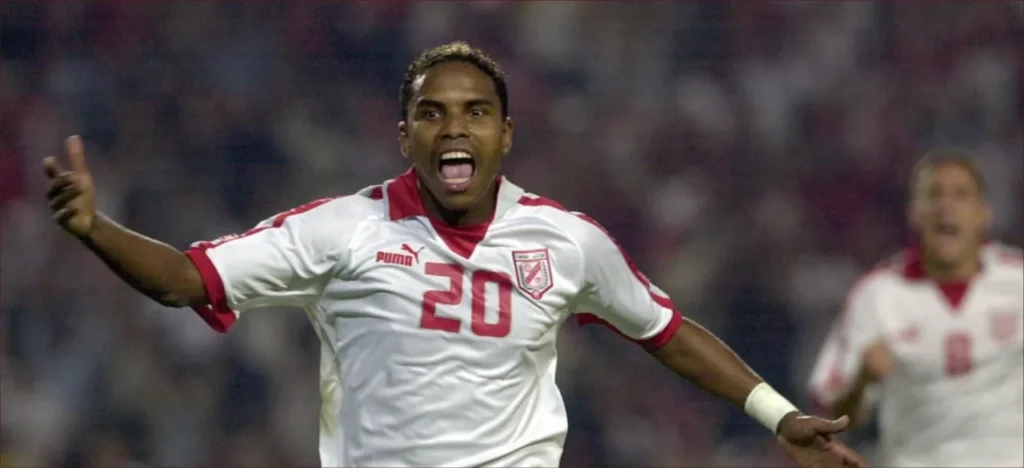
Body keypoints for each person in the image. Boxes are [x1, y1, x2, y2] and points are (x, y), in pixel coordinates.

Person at [45, 42, 864, 468]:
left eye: (475, 112)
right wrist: (94, 228)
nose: (455, 128)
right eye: (433, 114)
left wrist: (779, 415)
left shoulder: (566, 241)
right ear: (405, 135)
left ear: (506, 133)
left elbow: (666, 331)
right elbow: (187, 280)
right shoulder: (343, 230)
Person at [808, 150, 1024, 467]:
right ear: (914, 213)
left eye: (960, 194)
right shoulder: (878, 294)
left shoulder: (1017, 281)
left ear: (983, 213)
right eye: (934, 194)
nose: (946, 205)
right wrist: (863, 379)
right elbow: (832, 412)